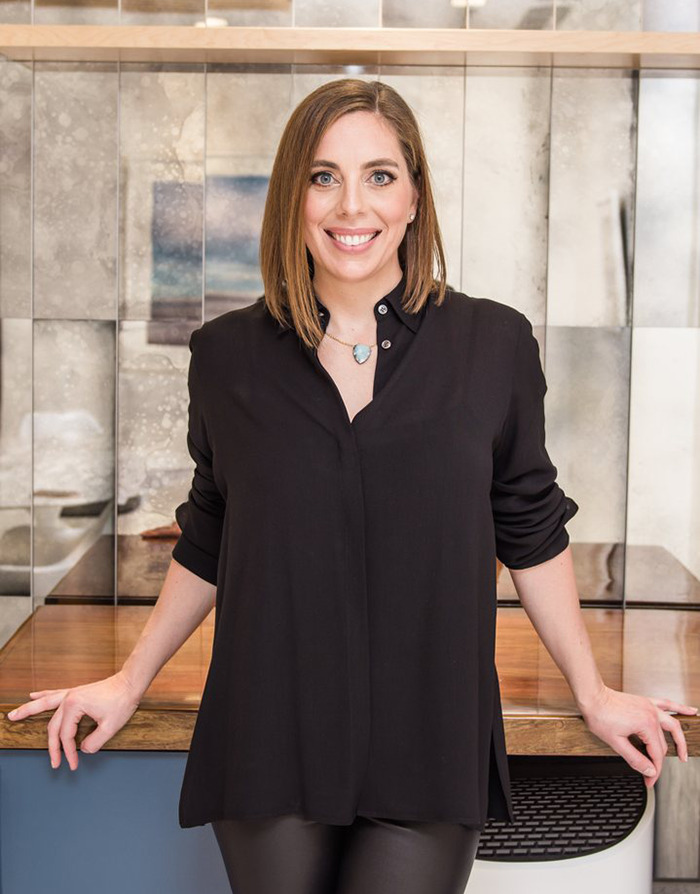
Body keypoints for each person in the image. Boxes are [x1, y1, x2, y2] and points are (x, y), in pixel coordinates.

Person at [7, 78, 697, 894]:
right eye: (323, 176)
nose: (350, 205)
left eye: (378, 175)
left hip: (430, 731)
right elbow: (211, 531)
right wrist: (129, 681)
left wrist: (593, 690)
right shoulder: (227, 356)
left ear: (412, 197)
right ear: (293, 198)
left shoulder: (493, 344)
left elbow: (531, 527)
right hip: (271, 727)